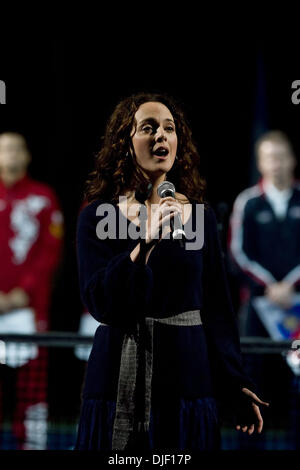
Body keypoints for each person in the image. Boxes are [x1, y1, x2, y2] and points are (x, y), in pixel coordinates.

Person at [74, 92, 269, 452]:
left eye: (169, 128)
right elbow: (100, 301)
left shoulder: (200, 217)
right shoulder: (96, 216)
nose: (161, 136)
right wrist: (143, 245)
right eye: (148, 128)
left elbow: (217, 308)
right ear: (124, 142)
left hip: (187, 381)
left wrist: (234, 380)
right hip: (116, 378)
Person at [228, 130, 300, 433]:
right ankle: (251, 439)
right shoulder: (248, 202)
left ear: (292, 160)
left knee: (297, 375)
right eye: (270, 158)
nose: (277, 164)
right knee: (251, 374)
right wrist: (269, 287)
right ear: (260, 163)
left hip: (297, 305)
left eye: (281, 156)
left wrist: (291, 286)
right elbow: (236, 253)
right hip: (258, 306)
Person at [0, 132, 64, 449]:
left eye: (17, 149)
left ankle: (34, 443)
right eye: (5, 149)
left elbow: (50, 252)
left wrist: (22, 293)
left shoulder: (43, 197)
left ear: (26, 156)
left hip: (30, 306)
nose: (11, 155)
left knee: (33, 383)